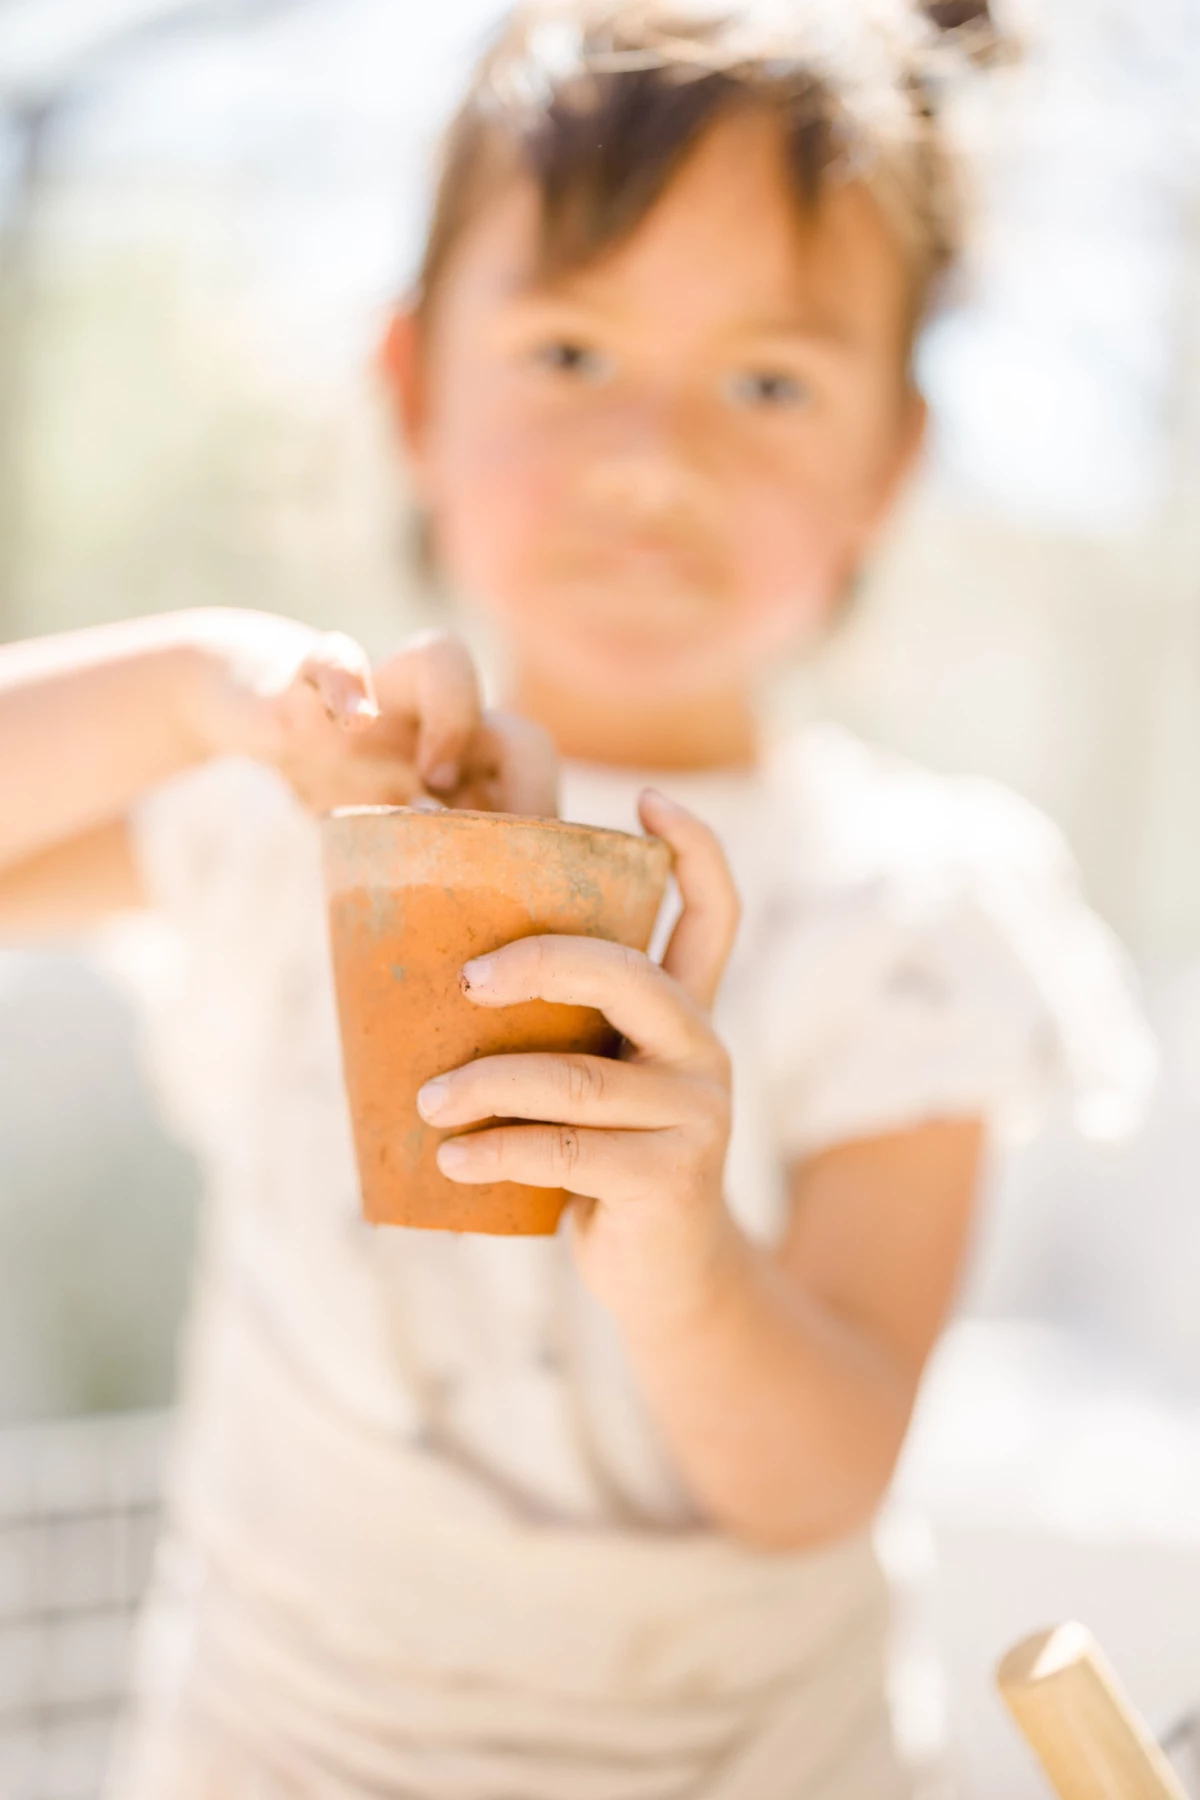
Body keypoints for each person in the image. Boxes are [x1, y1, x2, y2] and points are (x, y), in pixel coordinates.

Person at [0, 3, 1157, 1795]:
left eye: (769, 382)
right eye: (566, 353)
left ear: (888, 466)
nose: (653, 459)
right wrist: (185, 691)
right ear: (411, 391)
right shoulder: (278, 816)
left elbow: (821, 1469)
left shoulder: (913, 913)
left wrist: (684, 1252)